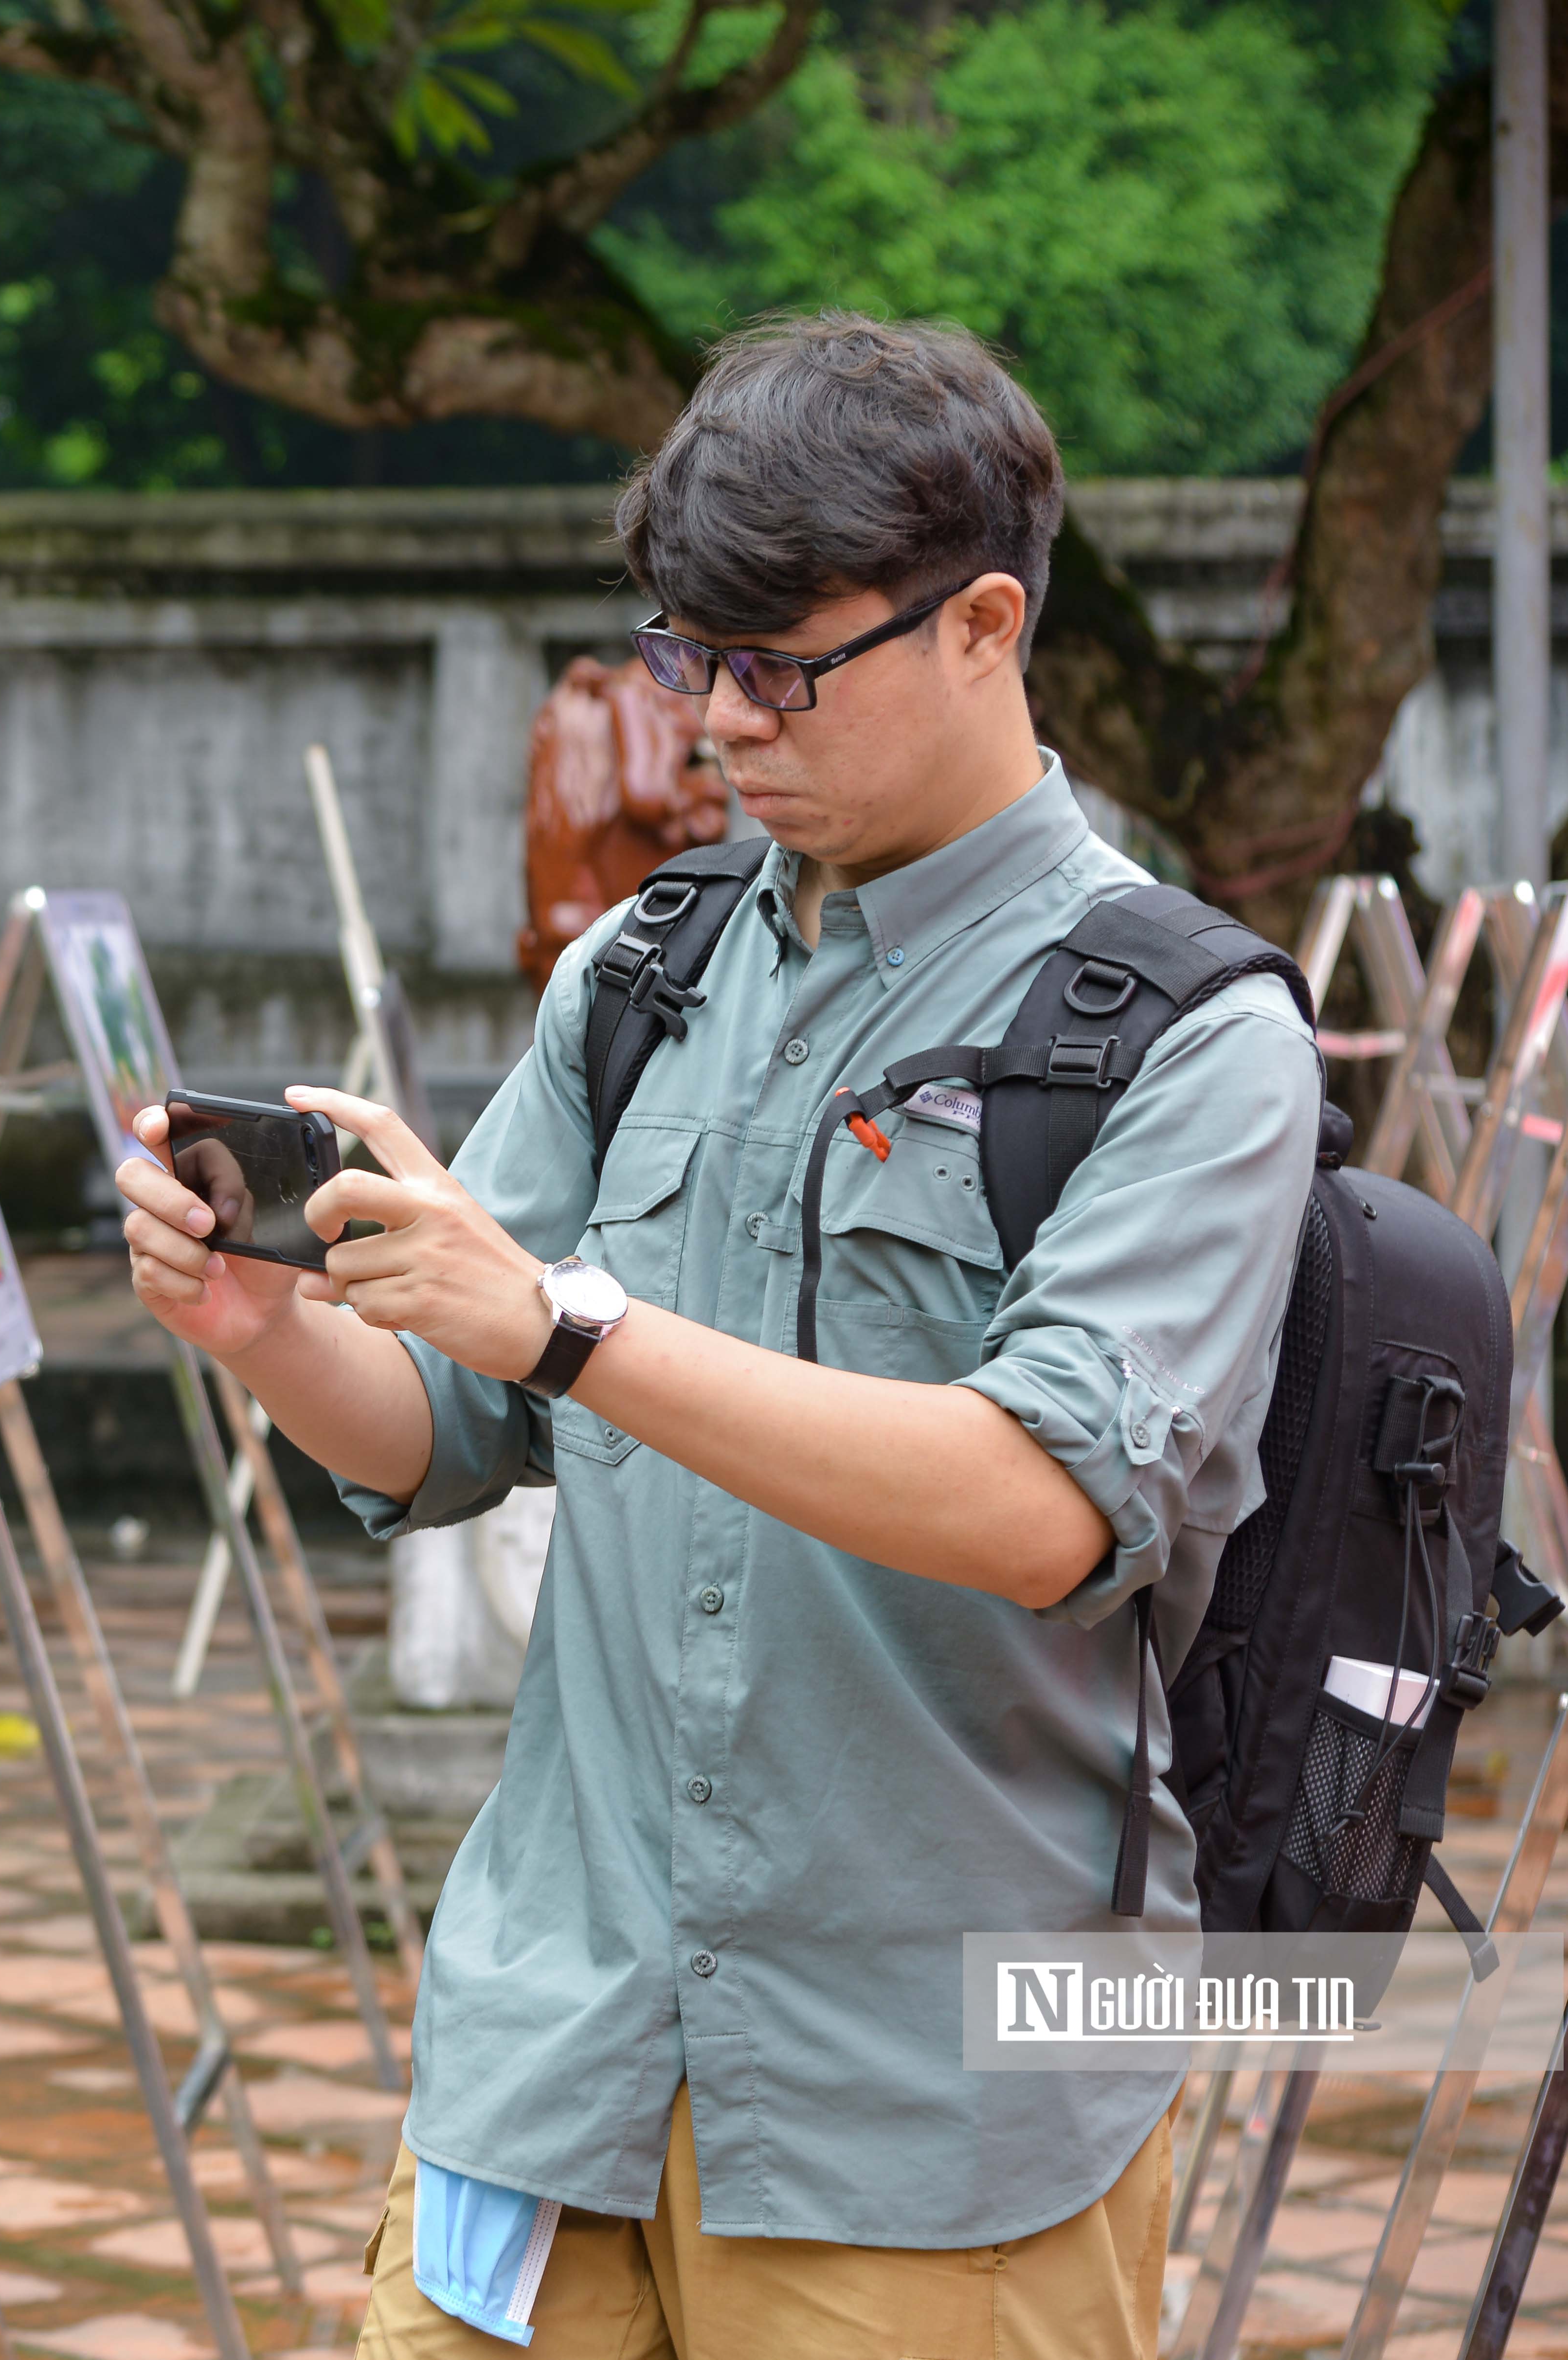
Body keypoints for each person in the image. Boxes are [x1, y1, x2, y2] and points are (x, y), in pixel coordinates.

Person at [118, 317, 1315, 2359]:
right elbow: (450, 1424)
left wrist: (572, 1328)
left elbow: (1041, 1502)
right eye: (690, 655)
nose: (717, 726)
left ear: (984, 626)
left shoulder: (1188, 1037)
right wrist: (261, 1325)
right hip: (556, 2028)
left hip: (936, 2096)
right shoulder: (650, 971)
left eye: (780, 666)